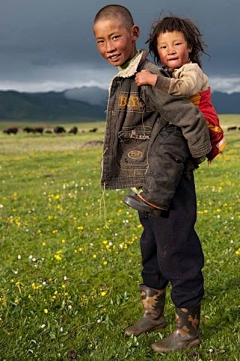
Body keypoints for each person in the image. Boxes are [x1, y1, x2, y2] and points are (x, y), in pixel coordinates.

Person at [93, 5, 212, 354]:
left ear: (132, 34)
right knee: (152, 249)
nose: (109, 46)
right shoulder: (127, 73)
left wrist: (198, 153)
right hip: (149, 184)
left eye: (115, 36)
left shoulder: (148, 74)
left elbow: (188, 116)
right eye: (101, 40)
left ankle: (188, 329)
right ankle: (153, 314)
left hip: (170, 184)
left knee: (177, 250)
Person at [124, 15, 226, 214]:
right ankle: (182, 168)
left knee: (169, 146)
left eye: (177, 44)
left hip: (201, 121)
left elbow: (185, 88)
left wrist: (155, 80)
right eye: (163, 47)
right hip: (184, 121)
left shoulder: (191, 70)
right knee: (163, 146)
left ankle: (155, 200)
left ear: (189, 47)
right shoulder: (167, 72)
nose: (170, 50)